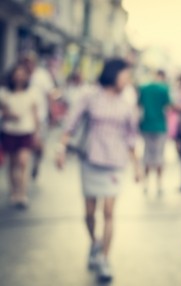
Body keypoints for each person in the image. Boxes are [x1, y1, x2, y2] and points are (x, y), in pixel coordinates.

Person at [56, 58, 140, 282]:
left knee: (110, 212)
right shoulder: (89, 96)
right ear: (114, 74)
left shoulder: (127, 102)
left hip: (115, 162)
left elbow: (132, 135)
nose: (128, 80)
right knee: (89, 212)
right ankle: (94, 242)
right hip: (91, 159)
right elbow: (71, 123)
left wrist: (137, 165)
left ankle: (104, 257)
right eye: (125, 75)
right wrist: (61, 148)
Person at [0, 64, 39, 208]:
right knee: (11, 163)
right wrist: (10, 115)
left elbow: (35, 115)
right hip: (9, 131)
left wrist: (36, 133)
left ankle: (22, 193)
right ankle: (13, 190)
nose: (20, 77)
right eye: (17, 73)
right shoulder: (4, 93)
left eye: (23, 74)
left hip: (25, 132)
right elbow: (2, 112)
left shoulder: (31, 93)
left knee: (22, 162)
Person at [21, 53, 56, 180]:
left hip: (40, 116)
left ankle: (36, 162)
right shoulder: (20, 74)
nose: (28, 65)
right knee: (25, 144)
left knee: (38, 144)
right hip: (24, 117)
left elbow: (50, 94)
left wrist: (52, 112)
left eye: (30, 62)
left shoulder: (42, 76)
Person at [138, 70, 171, 194]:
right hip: (160, 126)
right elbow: (168, 106)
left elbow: (139, 105)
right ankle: (159, 184)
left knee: (147, 154)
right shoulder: (164, 89)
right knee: (159, 155)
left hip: (146, 125)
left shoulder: (144, 88)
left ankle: (146, 184)